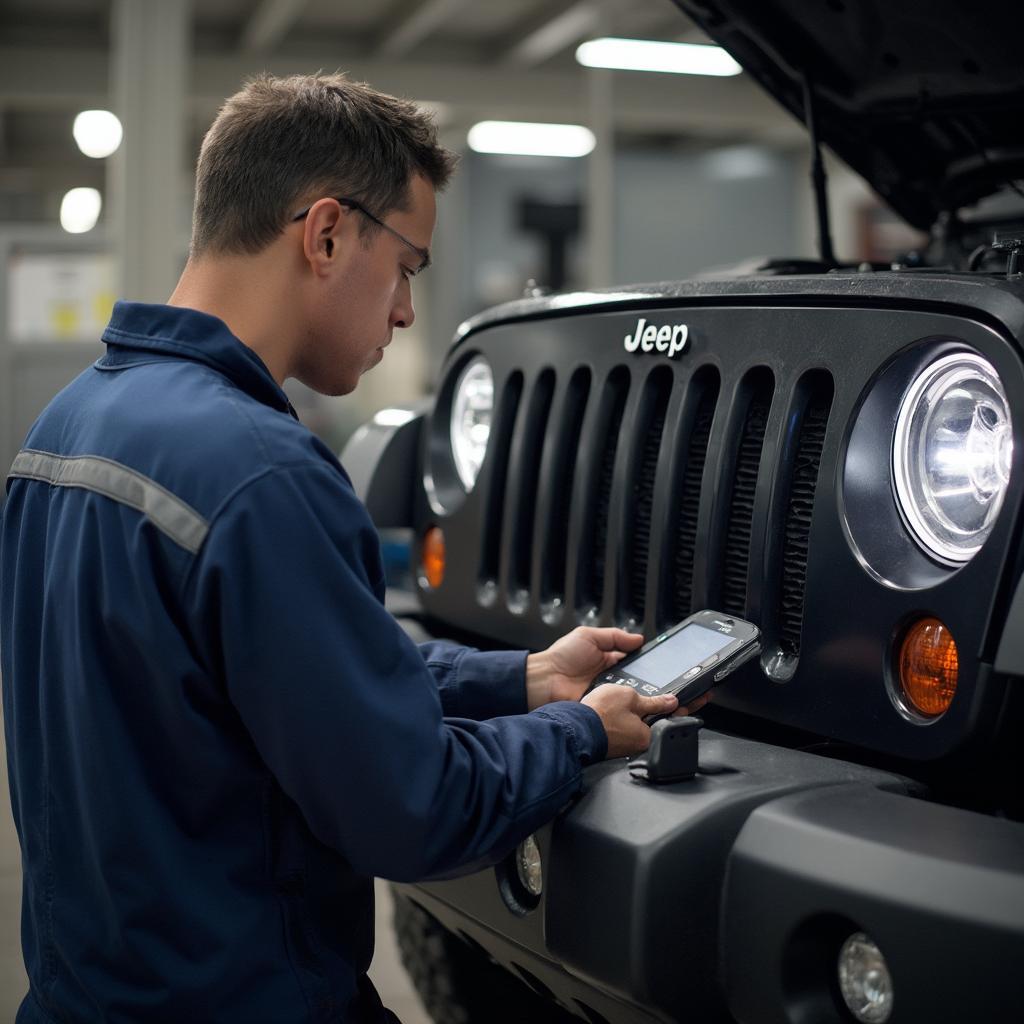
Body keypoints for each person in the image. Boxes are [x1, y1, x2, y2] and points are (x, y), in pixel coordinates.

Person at [0, 73, 707, 1023]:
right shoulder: (263, 474)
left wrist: (520, 680)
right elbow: (412, 808)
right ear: (326, 234)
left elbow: (262, 676)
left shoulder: (61, 430)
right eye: (408, 264)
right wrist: (580, 732)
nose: (408, 309)